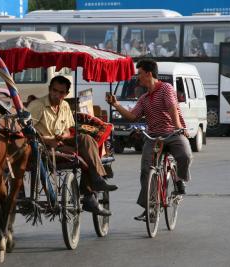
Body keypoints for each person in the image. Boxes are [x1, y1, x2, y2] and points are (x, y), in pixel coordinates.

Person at [106, 59, 193, 222]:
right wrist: (116, 105)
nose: (138, 78)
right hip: (153, 136)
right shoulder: (144, 98)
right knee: (147, 170)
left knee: (185, 155)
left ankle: (180, 180)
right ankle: (150, 208)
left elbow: (172, 109)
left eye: (139, 74)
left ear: (148, 73)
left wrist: (178, 128)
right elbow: (132, 116)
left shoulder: (166, 88)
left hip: (173, 132)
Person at [27, 75, 118, 216]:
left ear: (66, 94)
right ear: (49, 89)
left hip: (61, 142)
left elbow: (69, 129)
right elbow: (27, 132)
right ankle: (89, 194)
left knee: (86, 140)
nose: (57, 95)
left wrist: (64, 135)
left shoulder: (64, 106)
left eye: (61, 92)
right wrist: (47, 140)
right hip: (42, 147)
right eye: (54, 91)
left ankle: (96, 179)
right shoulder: (37, 106)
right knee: (86, 154)